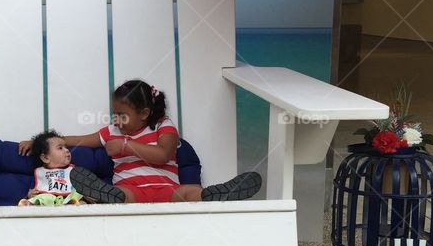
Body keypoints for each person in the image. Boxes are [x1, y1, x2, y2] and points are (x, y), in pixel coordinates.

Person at [18, 79, 260, 203]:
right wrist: (39, 141)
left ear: (144, 113)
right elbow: (79, 140)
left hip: (169, 191)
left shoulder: (163, 126)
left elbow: (163, 155)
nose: (117, 119)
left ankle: (215, 196)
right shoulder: (112, 130)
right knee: (119, 194)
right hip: (132, 192)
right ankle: (106, 195)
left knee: (191, 191)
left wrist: (127, 145)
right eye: (114, 113)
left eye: (122, 115)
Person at [18, 130, 84, 206]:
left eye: (66, 147)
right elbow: (35, 189)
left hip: (68, 199)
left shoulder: (72, 170)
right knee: (44, 197)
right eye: (60, 148)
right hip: (49, 202)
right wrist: (30, 194)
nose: (67, 150)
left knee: (79, 192)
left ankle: (73, 203)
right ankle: (29, 204)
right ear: (46, 158)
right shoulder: (40, 172)